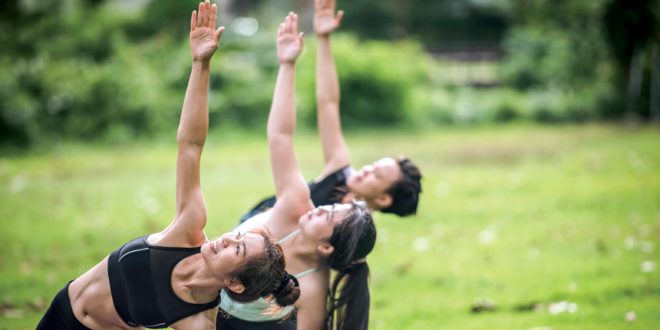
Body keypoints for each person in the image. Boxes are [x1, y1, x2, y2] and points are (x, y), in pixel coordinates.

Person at [36, 2, 298, 329]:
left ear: (234, 284)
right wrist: (200, 63)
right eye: (236, 237)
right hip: (63, 312)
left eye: (238, 248)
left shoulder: (197, 320)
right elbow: (190, 145)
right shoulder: (188, 229)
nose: (227, 238)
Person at [216, 12, 375, 330]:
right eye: (329, 207)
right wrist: (287, 65)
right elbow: (280, 137)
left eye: (326, 217)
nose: (319, 208)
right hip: (203, 300)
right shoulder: (295, 205)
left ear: (325, 248)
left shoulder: (312, 288)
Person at [239, 0, 423, 224]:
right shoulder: (341, 171)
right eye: (373, 166)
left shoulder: (348, 231)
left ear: (384, 199)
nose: (366, 170)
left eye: (376, 175)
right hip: (250, 223)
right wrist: (324, 37)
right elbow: (328, 103)